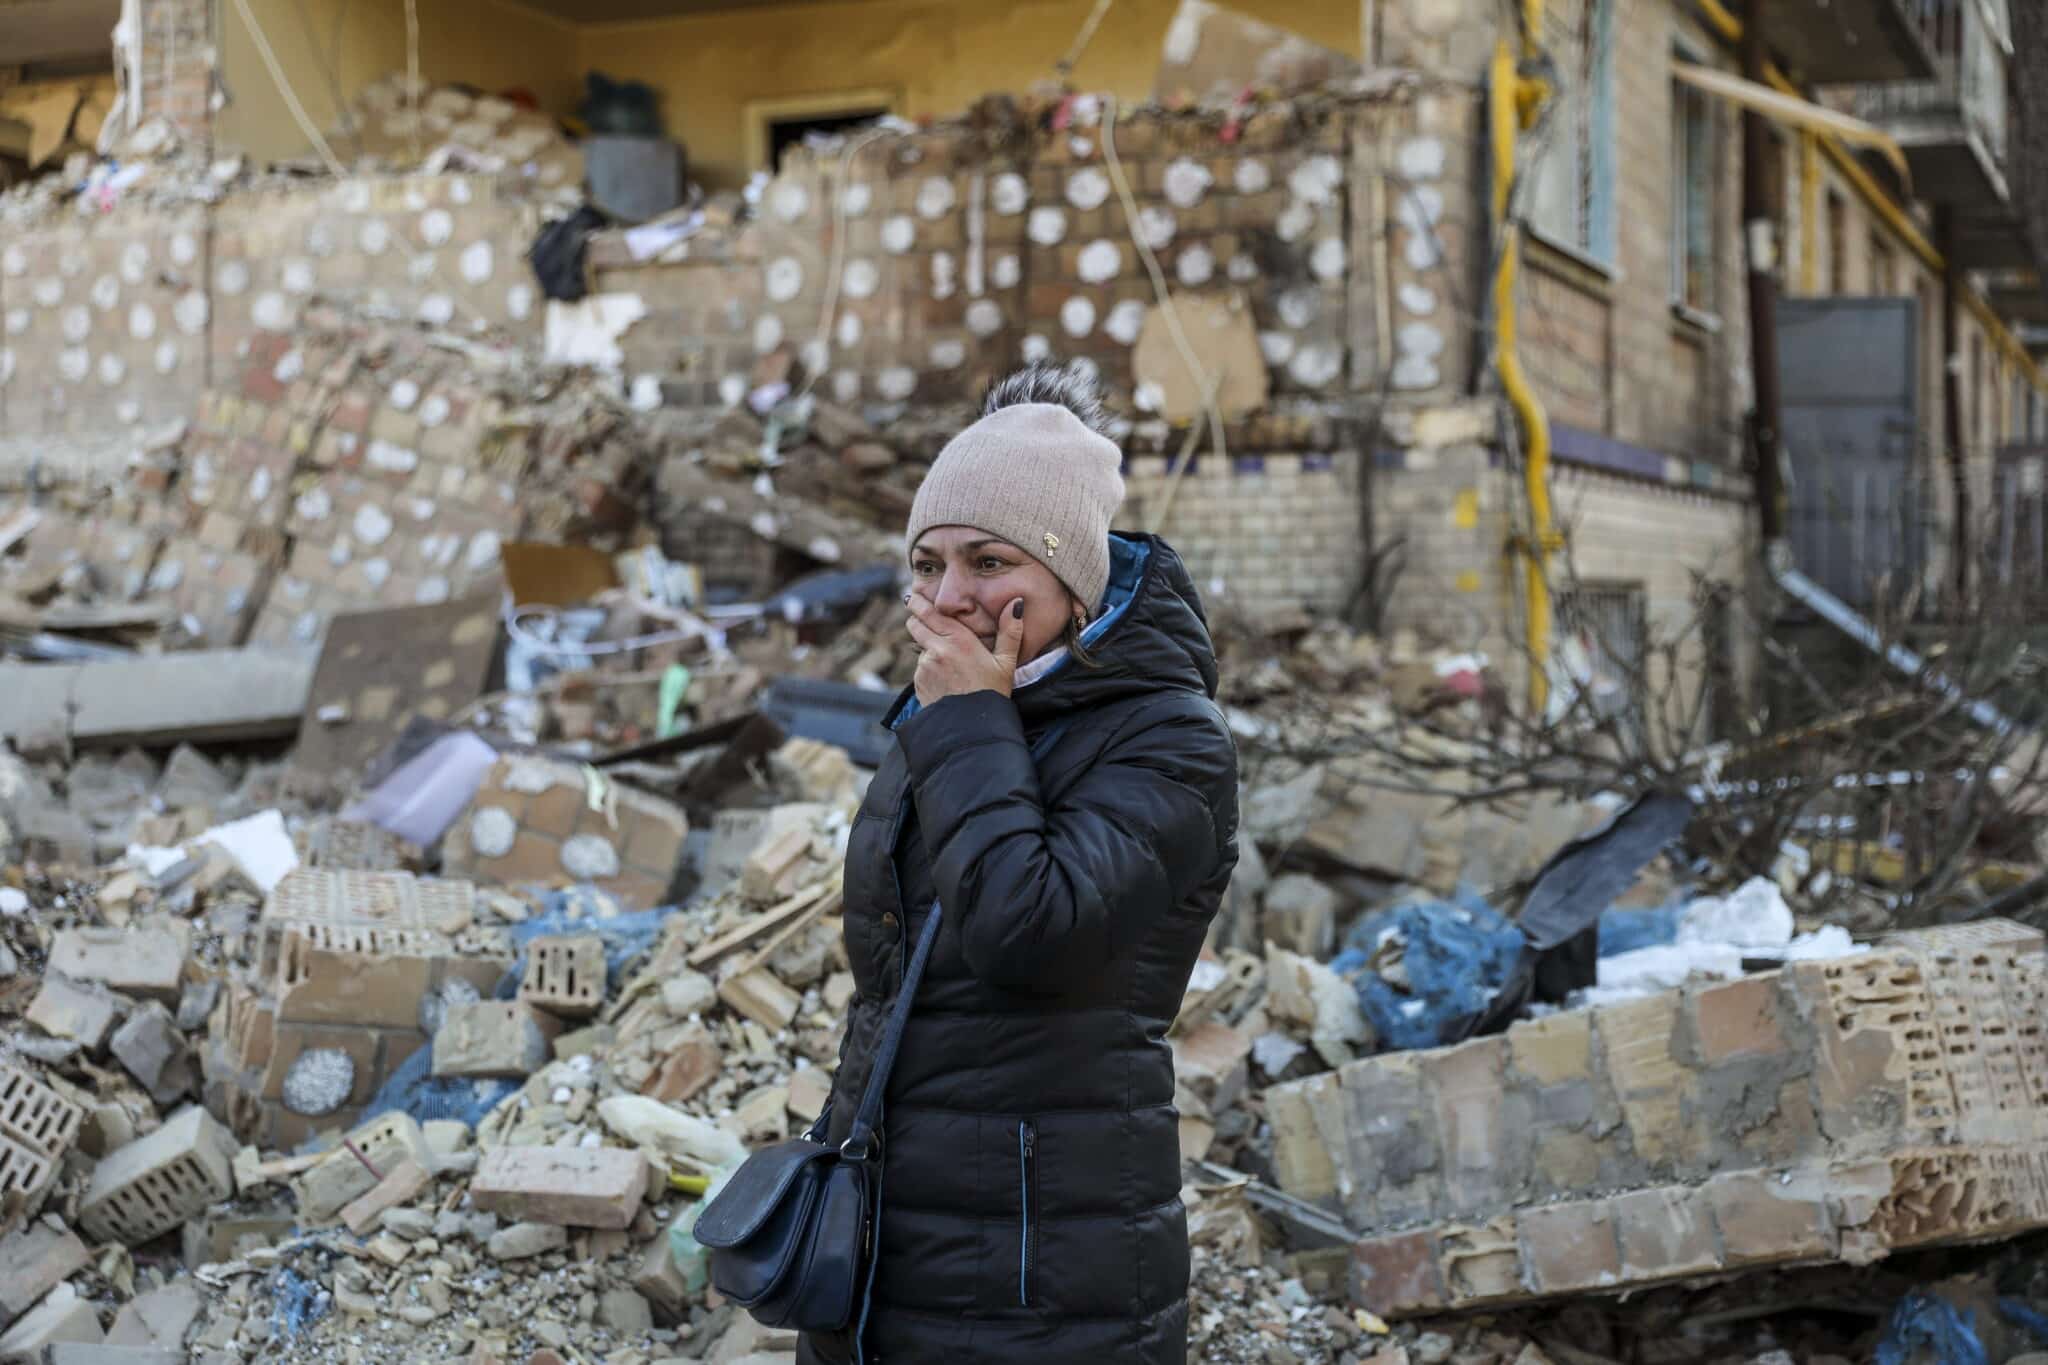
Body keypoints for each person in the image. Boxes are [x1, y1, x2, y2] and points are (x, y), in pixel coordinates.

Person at [797, 363, 1241, 1365]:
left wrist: (967, 721)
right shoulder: (965, 713)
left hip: (1044, 1270)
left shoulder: (1166, 740)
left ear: (1069, 579)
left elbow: (1024, 934)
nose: (950, 597)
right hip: (892, 1225)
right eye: (927, 563)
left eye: (988, 561)